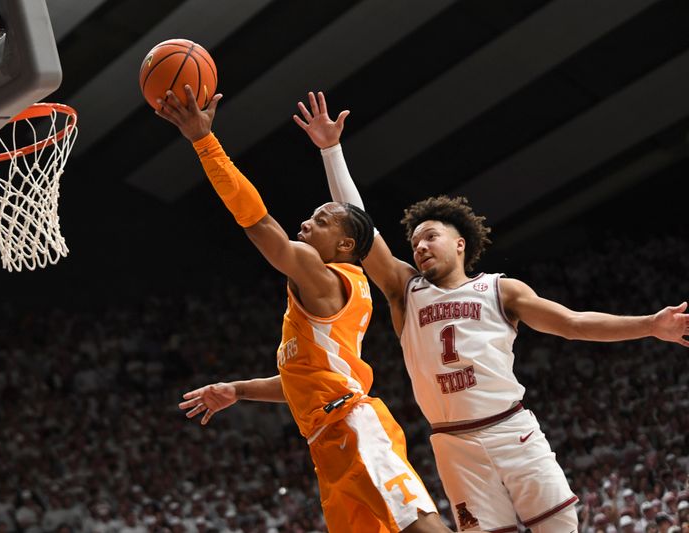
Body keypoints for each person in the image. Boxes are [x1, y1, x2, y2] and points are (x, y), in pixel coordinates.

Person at [291, 90, 689, 532]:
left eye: (431, 236)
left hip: (510, 430)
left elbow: (573, 324)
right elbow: (359, 224)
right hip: (453, 444)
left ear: (460, 242)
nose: (420, 246)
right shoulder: (406, 290)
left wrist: (651, 325)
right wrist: (331, 150)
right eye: (416, 241)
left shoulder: (501, 291)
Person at [157, 85, 477, 533]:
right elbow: (303, 378)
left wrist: (204, 142)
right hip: (327, 442)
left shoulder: (320, 274)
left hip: (353, 425)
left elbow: (258, 223)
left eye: (322, 221)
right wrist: (240, 390)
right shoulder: (325, 291)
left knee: (422, 528)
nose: (307, 223)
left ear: (345, 245)